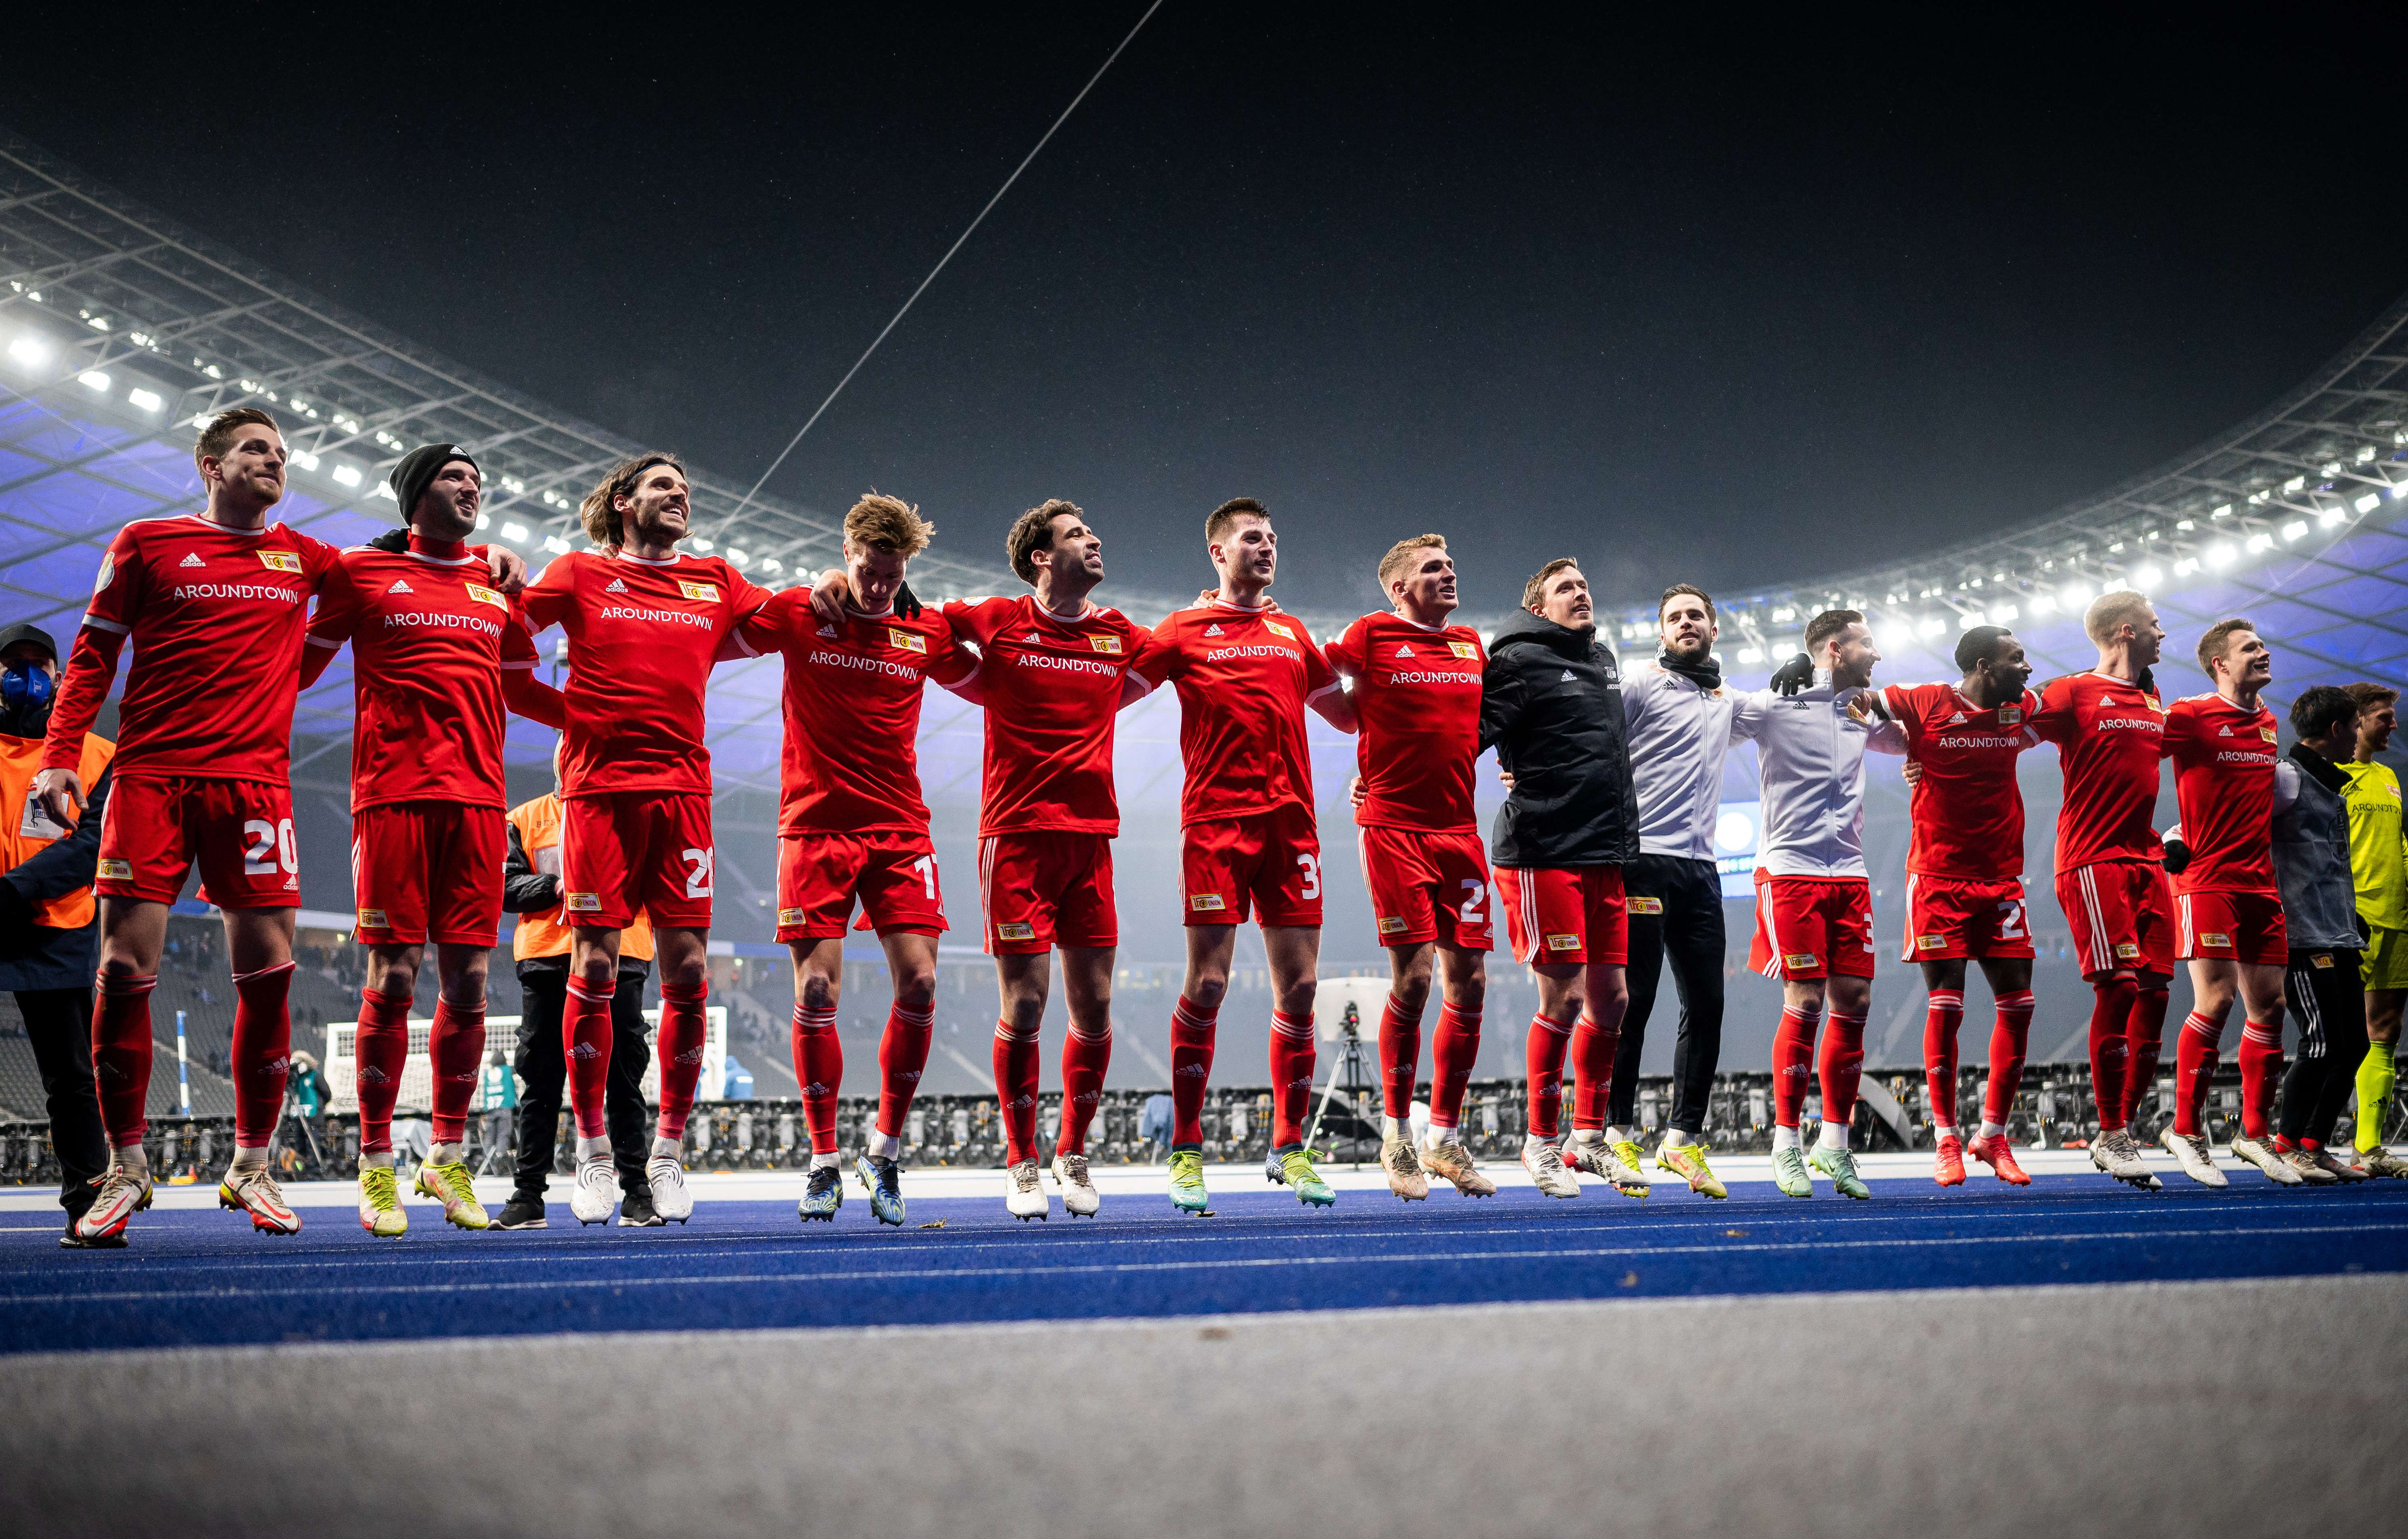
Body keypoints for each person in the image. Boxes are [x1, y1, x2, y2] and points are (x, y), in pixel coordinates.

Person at [34, 407, 522, 1244]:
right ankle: (125, 1167)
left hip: (258, 787)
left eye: (283, 454)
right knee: (120, 964)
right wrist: (58, 755)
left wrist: (487, 557)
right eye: (257, 448)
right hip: (152, 776)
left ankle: (252, 1166)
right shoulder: (145, 542)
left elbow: (407, 561)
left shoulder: (307, 557)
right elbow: (92, 654)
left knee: (270, 974)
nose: (275, 461)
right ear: (209, 464)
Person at [812, 499, 1164, 1219]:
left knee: (1096, 1005)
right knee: (1027, 1002)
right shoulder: (994, 616)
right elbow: (903, 608)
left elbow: (1178, 659)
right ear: (1041, 556)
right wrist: (834, 575)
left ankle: (1073, 1151)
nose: (1094, 538)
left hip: (1092, 836)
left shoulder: (1119, 632)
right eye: (1075, 534)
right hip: (1016, 836)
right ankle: (1021, 1159)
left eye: (1092, 531)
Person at [301, 443, 564, 1236]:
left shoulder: (496, 585)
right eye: (454, 477)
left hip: (480, 805)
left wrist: (598, 718)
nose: (471, 487)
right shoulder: (360, 575)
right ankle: (377, 1164)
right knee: (392, 974)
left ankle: (445, 1157)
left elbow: (521, 687)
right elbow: (298, 668)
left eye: (478, 480)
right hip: (392, 799)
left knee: (474, 984)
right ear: (417, 495)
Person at [520, 452, 773, 1224]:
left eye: (686, 487)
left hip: (685, 794)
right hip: (598, 797)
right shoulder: (577, 574)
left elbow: (790, 622)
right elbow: (495, 640)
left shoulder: (717, 581)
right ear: (624, 502)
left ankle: (665, 1154)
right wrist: (569, 715)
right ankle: (594, 1154)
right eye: (665, 485)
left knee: (690, 970)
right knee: (594, 958)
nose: (682, 494)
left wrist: (848, 588)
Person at [738, 494, 973, 1225]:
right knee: (814, 993)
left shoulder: (924, 629)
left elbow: (993, 661)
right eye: (868, 571)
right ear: (848, 554)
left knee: (924, 982)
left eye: (891, 572)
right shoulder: (801, 613)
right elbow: (720, 615)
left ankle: (885, 1148)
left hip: (901, 828)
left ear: (907, 566)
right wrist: (811, 585)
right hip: (813, 829)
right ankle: (821, 1161)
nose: (877, 586)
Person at [1152, 499, 1354, 1212]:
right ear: (1217, 550)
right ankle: (1184, 1146)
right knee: (1207, 983)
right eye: (1251, 538)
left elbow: (1354, 716)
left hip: (1291, 828)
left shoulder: (1293, 631)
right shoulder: (1180, 629)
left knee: (1299, 990)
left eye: (1272, 537)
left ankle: (1289, 1144)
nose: (1266, 547)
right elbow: (1105, 691)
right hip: (1215, 824)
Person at [1327, 535, 1497, 1202]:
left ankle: (1444, 1137)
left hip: (1459, 831)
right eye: (1432, 568)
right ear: (1399, 586)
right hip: (1393, 827)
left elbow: (1470, 723)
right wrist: (1356, 735)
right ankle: (1396, 1135)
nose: (1448, 574)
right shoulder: (1369, 632)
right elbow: (1313, 682)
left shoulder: (1469, 644)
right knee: (1417, 973)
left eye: (1452, 565)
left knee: (1472, 980)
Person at [1478, 559, 1646, 1201]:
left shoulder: (1601, 659)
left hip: (1604, 850)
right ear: (1539, 606)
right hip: (1542, 848)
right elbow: (1469, 734)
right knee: (1566, 1000)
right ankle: (1540, 1141)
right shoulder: (1517, 660)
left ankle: (1588, 1136)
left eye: (1584, 583)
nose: (1582, 593)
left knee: (1615, 1001)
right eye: (1566, 588)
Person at [1872, 625, 2043, 1187]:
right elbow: (1857, 698)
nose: (2027, 669)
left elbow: (2079, 705)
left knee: (2019, 1005)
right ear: (1981, 665)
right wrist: (1898, 744)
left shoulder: (2020, 711)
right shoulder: (1925, 701)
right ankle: (1945, 1136)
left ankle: (1991, 1134)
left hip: (2001, 879)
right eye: (2016, 659)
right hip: (1938, 879)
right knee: (1947, 1004)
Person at [1732, 609, 1888, 1200]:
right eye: (1866, 642)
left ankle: (1835, 1142)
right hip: (1790, 869)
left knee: (1857, 999)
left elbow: (1914, 732)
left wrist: (1921, 755)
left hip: (1849, 869)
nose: (1876, 653)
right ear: (1833, 647)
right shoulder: (1776, 704)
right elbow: (1710, 715)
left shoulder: (1864, 708)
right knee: (1806, 997)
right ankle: (1785, 1144)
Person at [2028, 591, 2176, 1190]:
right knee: (2117, 986)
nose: (2161, 633)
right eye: (2154, 623)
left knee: (2157, 993)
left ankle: (2124, 1129)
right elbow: (2003, 728)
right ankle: (2111, 1129)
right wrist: (1920, 759)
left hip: (2147, 857)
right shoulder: (2070, 691)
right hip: (2093, 860)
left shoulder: (2151, 695)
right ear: (2125, 630)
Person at [2157, 618, 2298, 1186]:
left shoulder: (2266, 722)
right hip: (2206, 880)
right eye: (2249, 648)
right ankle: (2185, 1130)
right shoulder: (2190, 714)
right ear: (2220, 662)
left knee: (2271, 1007)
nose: (2263, 651)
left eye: (2263, 644)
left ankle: (2253, 1133)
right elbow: (2128, 762)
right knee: (2214, 1000)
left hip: (2260, 884)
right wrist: (2164, 834)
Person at [493, 768, 664, 1229]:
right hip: (547, 960)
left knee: (624, 1077)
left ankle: (636, 1193)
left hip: (623, 953)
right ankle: (528, 1195)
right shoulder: (525, 818)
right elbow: (503, 887)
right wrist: (556, 887)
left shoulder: (631, 815)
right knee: (541, 1080)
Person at [1609, 584, 1737, 1198]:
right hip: (1643, 862)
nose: (1686, 622)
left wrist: (1821, 680)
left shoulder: (1726, 697)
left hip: (1703, 870)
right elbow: (1585, 734)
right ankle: (1616, 1133)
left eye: (1696, 615)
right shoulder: (1637, 682)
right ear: (1661, 632)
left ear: (1714, 628)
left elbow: (1799, 716)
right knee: (1635, 1001)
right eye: (1675, 616)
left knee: (1707, 1004)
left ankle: (1683, 1140)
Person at [0, 621, 115, 1246]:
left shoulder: (94, 754)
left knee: (72, 1077)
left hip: (55, 927)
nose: (25, 675)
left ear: (62, 677)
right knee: (71, 1077)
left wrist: (15, 889)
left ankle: (90, 1205)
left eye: (37, 663)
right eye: (11, 664)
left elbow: (93, 845)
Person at [2267, 685, 2373, 1182]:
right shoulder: (2284, 777)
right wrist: (2175, 842)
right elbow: (2220, 817)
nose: (2359, 734)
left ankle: (2314, 1143)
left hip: (2338, 932)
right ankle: (2286, 1145)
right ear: (2334, 730)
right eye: (2354, 726)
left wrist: (2350, 915)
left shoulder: (2330, 783)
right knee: (2321, 1043)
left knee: (2355, 1044)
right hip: (2303, 935)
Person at [2340, 681, 2407, 1175]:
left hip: (2396, 917)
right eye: (2384, 717)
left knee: (2385, 1031)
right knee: (2338, 1037)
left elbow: (2396, 843)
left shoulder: (2387, 777)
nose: (2393, 725)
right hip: (2347, 919)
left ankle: (2368, 1149)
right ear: (2356, 720)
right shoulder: (2328, 775)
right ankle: (2293, 1137)